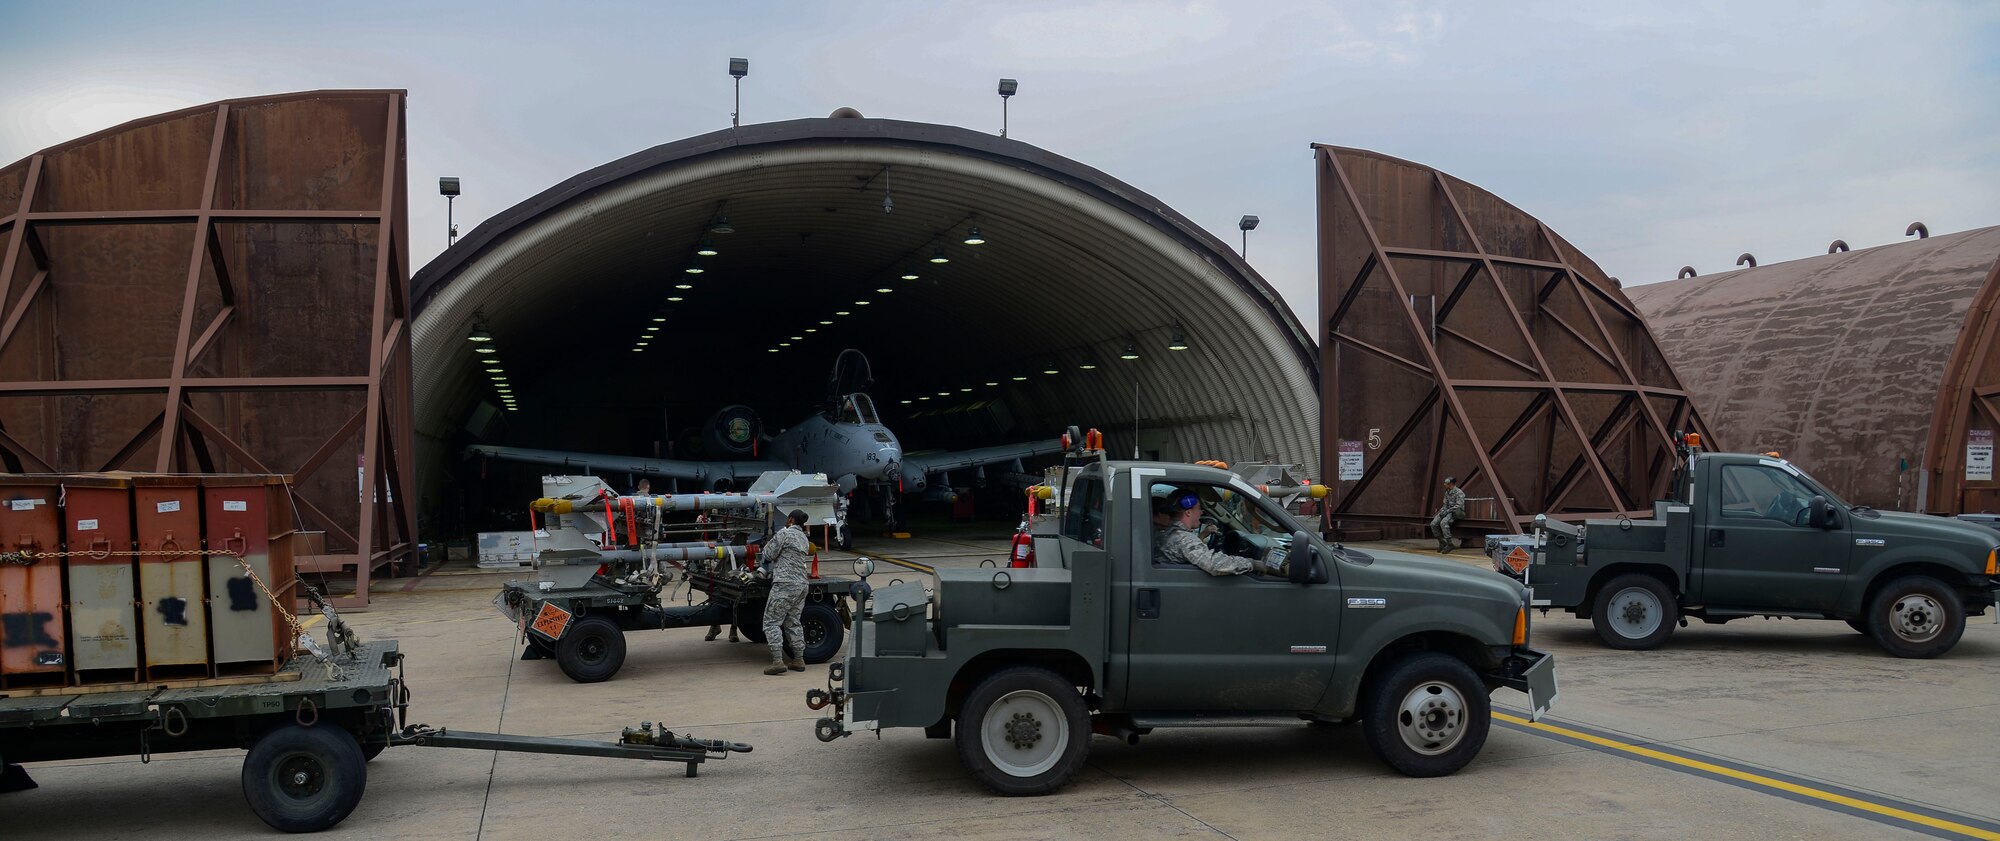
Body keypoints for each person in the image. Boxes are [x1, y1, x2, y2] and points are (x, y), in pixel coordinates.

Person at [1153, 487, 1282, 576]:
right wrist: (1252, 563)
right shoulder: (1183, 538)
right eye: (1199, 508)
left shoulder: (1166, 534)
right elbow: (1214, 564)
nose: (1201, 513)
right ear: (1188, 512)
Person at [759, 509, 814, 675]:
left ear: (790, 519)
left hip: (785, 583)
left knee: (771, 622)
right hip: (801, 584)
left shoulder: (784, 534)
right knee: (793, 621)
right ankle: (798, 659)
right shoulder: (804, 538)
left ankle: (777, 661)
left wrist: (768, 543)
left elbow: (768, 554)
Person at [1431, 476, 1466, 553]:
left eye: (1446, 483)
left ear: (1451, 484)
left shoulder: (1459, 493)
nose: (1444, 484)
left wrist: (1447, 511)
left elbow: (1459, 506)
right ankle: (1442, 542)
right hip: (1447, 511)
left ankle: (1450, 544)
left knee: (1443, 523)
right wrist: (1442, 512)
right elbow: (1445, 505)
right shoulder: (1447, 492)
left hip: (1454, 512)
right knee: (1433, 524)